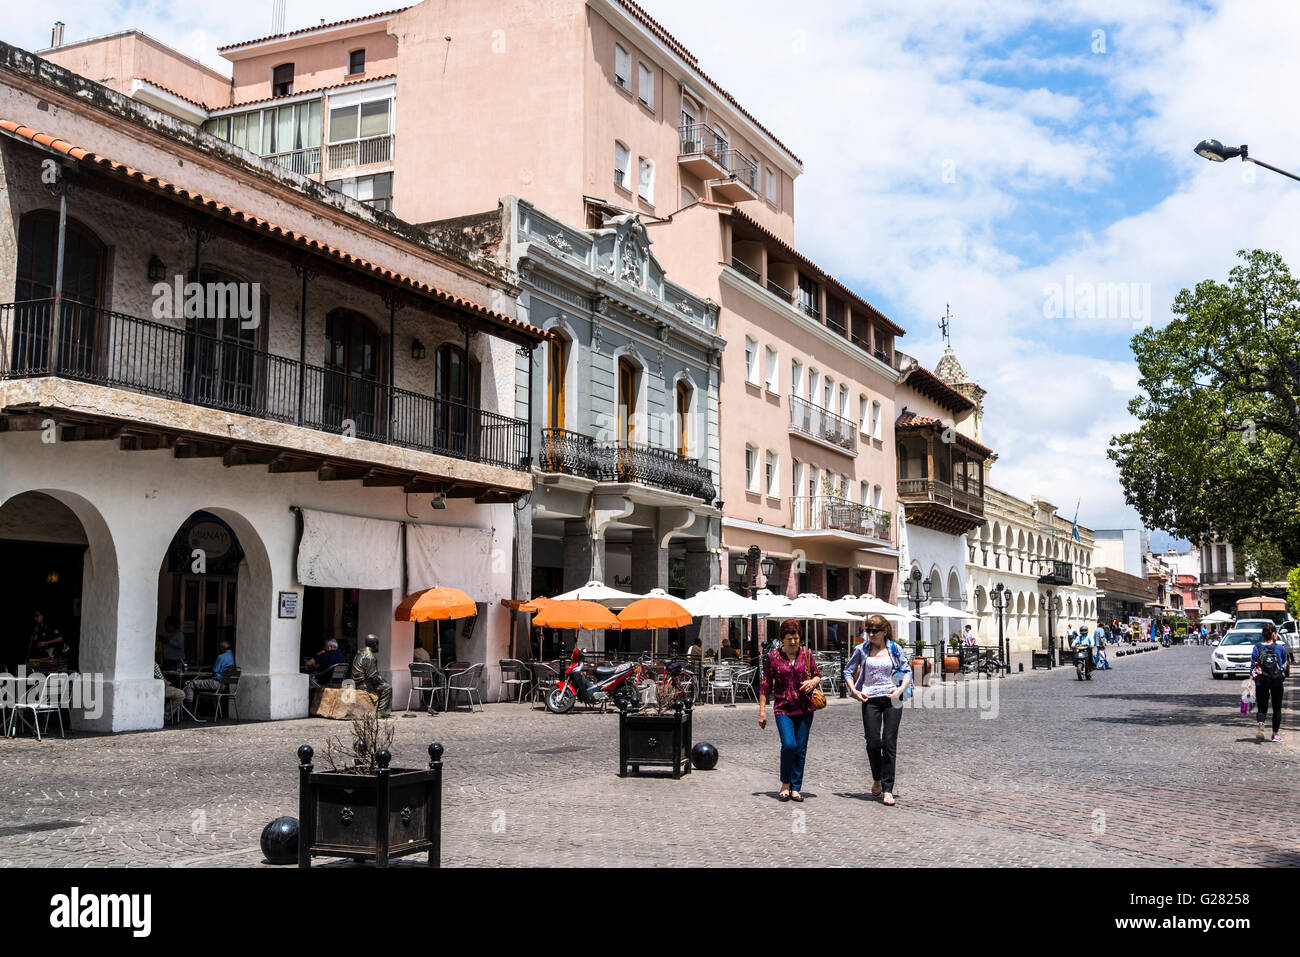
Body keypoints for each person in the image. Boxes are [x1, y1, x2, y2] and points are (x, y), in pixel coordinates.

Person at [843, 614, 913, 806]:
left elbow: (907, 671)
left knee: (889, 741)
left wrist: (899, 689)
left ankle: (888, 788)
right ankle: (877, 777)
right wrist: (854, 690)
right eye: (868, 631)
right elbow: (848, 671)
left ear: (884, 632)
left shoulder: (894, 648)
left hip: (893, 698)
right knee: (873, 742)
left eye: (875, 631)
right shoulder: (861, 649)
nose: (871, 634)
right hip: (869, 698)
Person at [757, 619, 822, 803]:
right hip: (783, 708)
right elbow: (765, 685)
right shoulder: (773, 658)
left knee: (800, 749)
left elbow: (817, 674)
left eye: (796, 638)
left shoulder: (807, 655)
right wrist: (762, 711)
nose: (793, 642)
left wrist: (813, 682)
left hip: (805, 709)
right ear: (781, 639)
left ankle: (796, 788)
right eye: (789, 638)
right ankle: (785, 783)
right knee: (789, 745)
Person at [1252, 622, 1288, 743]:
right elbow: (1283, 662)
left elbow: (1253, 666)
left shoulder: (1257, 647)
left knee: (1262, 707)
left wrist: (1250, 681)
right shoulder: (1279, 648)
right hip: (1276, 681)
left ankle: (1261, 723)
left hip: (1261, 681)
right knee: (1277, 708)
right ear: (1273, 634)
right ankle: (1275, 734)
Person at [183, 639, 236, 706]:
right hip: (226, 685)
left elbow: (214, 671)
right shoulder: (234, 655)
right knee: (197, 684)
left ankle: (188, 709)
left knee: (188, 683)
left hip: (216, 683)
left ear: (223, 648)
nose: (219, 649)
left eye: (220, 647)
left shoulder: (221, 657)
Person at [351, 634, 393, 718]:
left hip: (356, 682)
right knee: (387, 688)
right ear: (374, 645)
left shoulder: (359, 653)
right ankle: (381, 713)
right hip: (364, 685)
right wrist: (383, 681)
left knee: (383, 684)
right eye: (377, 644)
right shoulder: (370, 657)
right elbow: (372, 677)